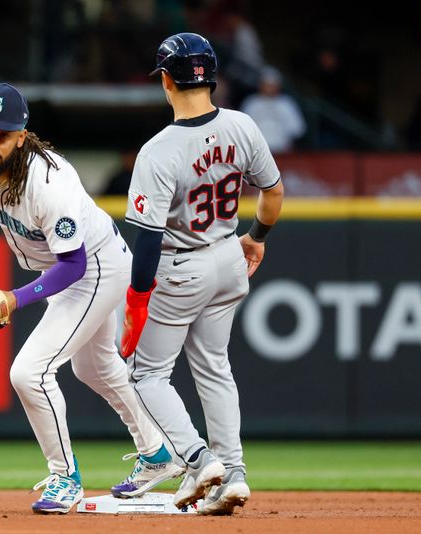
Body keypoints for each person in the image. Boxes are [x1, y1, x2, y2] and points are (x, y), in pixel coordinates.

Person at [0, 83, 182, 514]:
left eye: (1, 134)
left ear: (21, 136)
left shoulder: (49, 182)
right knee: (94, 367)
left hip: (95, 267)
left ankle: (65, 478)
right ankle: (157, 453)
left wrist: (11, 300)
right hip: (68, 268)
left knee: (29, 373)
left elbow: (74, 266)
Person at [120, 33, 284, 515]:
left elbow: (147, 239)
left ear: (167, 80)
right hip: (229, 256)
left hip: (180, 264)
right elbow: (273, 194)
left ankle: (198, 460)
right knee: (214, 367)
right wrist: (257, 236)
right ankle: (233, 475)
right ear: (210, 77)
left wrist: (136, 298)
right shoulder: (243, 125)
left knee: (145, 375)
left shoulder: (158, 150)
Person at [240, 66, 306, 153]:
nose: (269, 88)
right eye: (267, 84)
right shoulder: (252, 103)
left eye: (272, 85)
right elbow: (242, 129)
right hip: (257, 153)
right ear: (260, 85)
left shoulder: (287, 103)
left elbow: (298, 128)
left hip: (283, 152)